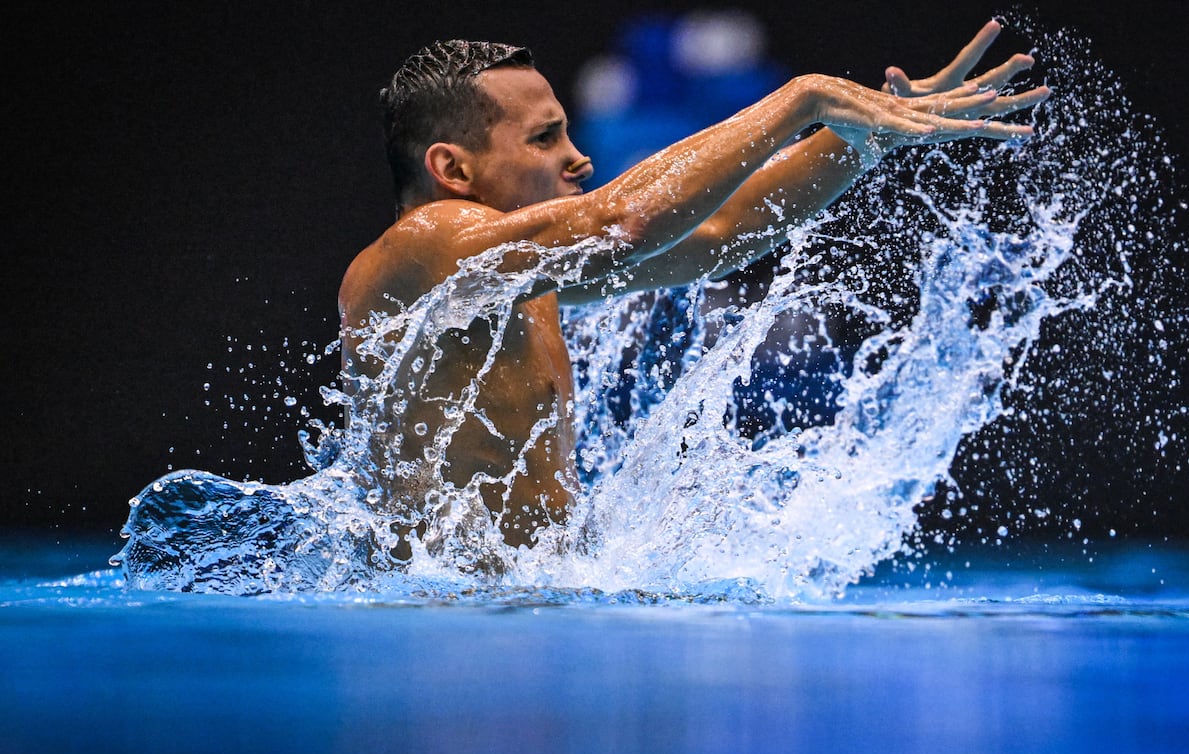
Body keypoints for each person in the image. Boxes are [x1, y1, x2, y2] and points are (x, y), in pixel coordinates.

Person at [338, 21, 1049, 561]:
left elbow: (723, 233)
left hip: (524, 609)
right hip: (440, 626)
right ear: (452, 168)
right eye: (545, 138)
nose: (578, 157)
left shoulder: (520, 278)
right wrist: (801, 101)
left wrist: (868, 134)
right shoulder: (427, 245)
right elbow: (623, 220)